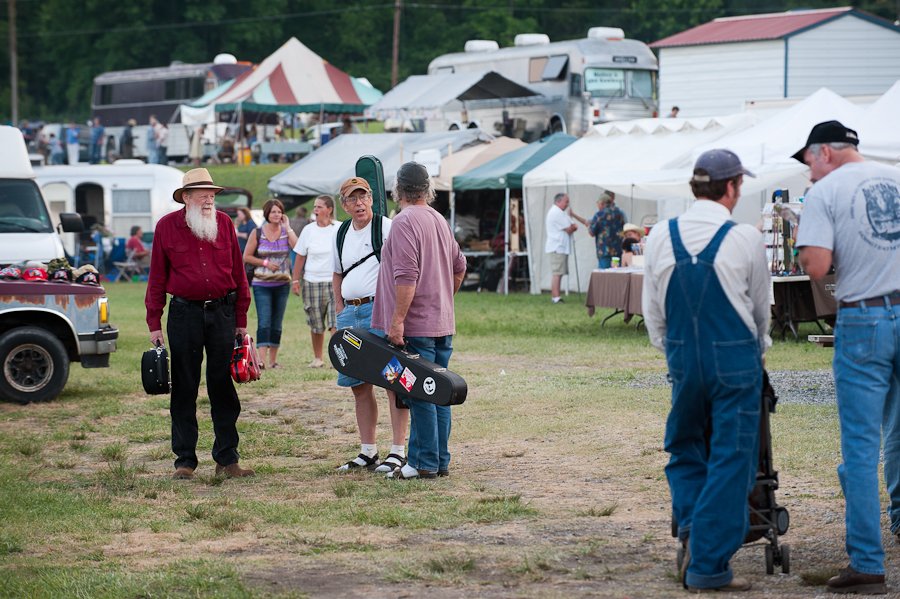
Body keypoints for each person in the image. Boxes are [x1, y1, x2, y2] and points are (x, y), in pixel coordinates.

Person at [642, 149, 770, 593]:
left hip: (682, 359)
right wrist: (759, 354)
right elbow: (759, 314)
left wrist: (676, 355)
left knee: (684, 447)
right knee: (734, 457)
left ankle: (694, 532)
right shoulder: (746, 238)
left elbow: (652, 313)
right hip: (734, 359)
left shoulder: (659, 235)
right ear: (732, 187)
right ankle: (708, 565)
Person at [795, 120, 900, 595]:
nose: (808, 172)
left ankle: (868, 564)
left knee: (860, 446)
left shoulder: (824, 192)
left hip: (865, 319)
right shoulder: (896, 176)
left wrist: (806, 245)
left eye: (808, 162)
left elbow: (816, 265)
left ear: (824, 153)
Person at [144, 168, 254, 480]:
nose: (209, 199)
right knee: (184, 387)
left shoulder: (224, 223)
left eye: (212, 194)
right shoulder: (167, 227)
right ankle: (184, 461)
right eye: (203, 194)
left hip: (222, 312)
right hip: (184, 314)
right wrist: (154, 322)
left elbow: (238, 273)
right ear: (186, 197)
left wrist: (241, 319)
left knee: (224, 387)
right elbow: (156, 278)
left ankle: (227, 458)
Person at [372, 162, 466, 480]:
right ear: (427, 189)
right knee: (441, 392)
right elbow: (459, 266)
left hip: (417, 324)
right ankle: (438, 460)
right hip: (441, 320)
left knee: (421, 393)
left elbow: (407, 276)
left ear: (398, 190)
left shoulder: (403, 221)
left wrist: (397, 321)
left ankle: (422, 462)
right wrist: (444, 297)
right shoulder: (439, 219)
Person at [333, 176, 409, 473]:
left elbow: (402, 268)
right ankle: (368, 451)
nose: (359, 203)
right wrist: (339, 309)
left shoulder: (386, 226)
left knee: (392, 381)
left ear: (372, 199)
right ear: (344, 205)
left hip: (379, 309)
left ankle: (398, 450)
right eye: (353, 198)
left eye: (363, 196)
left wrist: (395, 315)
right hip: (350, 314)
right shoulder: (340, 233)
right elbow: (337, 273)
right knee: (358, 385)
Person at [243, 199, 297, 370]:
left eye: (280, 212)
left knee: (277, 322)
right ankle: (261, 360)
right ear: (267, 213)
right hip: (262, 284)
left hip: (282, 284)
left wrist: (288, 227)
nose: (277, 215)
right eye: (274, 212)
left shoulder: (285, 232)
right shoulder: (257, 232)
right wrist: (265, 263)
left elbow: (298, 247)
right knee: (264, 321)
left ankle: (273, 361)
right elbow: (247, 257)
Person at [291, 195, 339, 368]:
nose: (315, 210)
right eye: (315, 207)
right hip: (312, 281)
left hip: (334, 281)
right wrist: (295, 280)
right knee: (316, 324)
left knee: (336, 323)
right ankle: (318, 358)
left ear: (329, 209)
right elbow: (300, 257)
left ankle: (336, 357)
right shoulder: (309, 230)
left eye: (319, 207)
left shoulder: (339, 228)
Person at [544, 192, 577, 304]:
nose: (567, 204)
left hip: (560, 247)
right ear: (558, 201)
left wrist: (572, 227)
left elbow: (573, 226)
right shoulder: (556, 212)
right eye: (566, 201)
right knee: (557, 273)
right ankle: (556, 297)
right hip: (557, 246)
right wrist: (572, 227)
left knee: (559, 272)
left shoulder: (560, 212)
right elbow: (570, 228)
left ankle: (556, 296)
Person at [584, 191, 626, 269]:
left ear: (603, 203)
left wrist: (589, 226)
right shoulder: (619, 213)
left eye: (598, 203)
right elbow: (624, 229)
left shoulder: (599, 215)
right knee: (616, 274)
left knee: (604, 276)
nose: (597, 205)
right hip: (617, 251)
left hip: (604, 252)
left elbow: (591, 233)